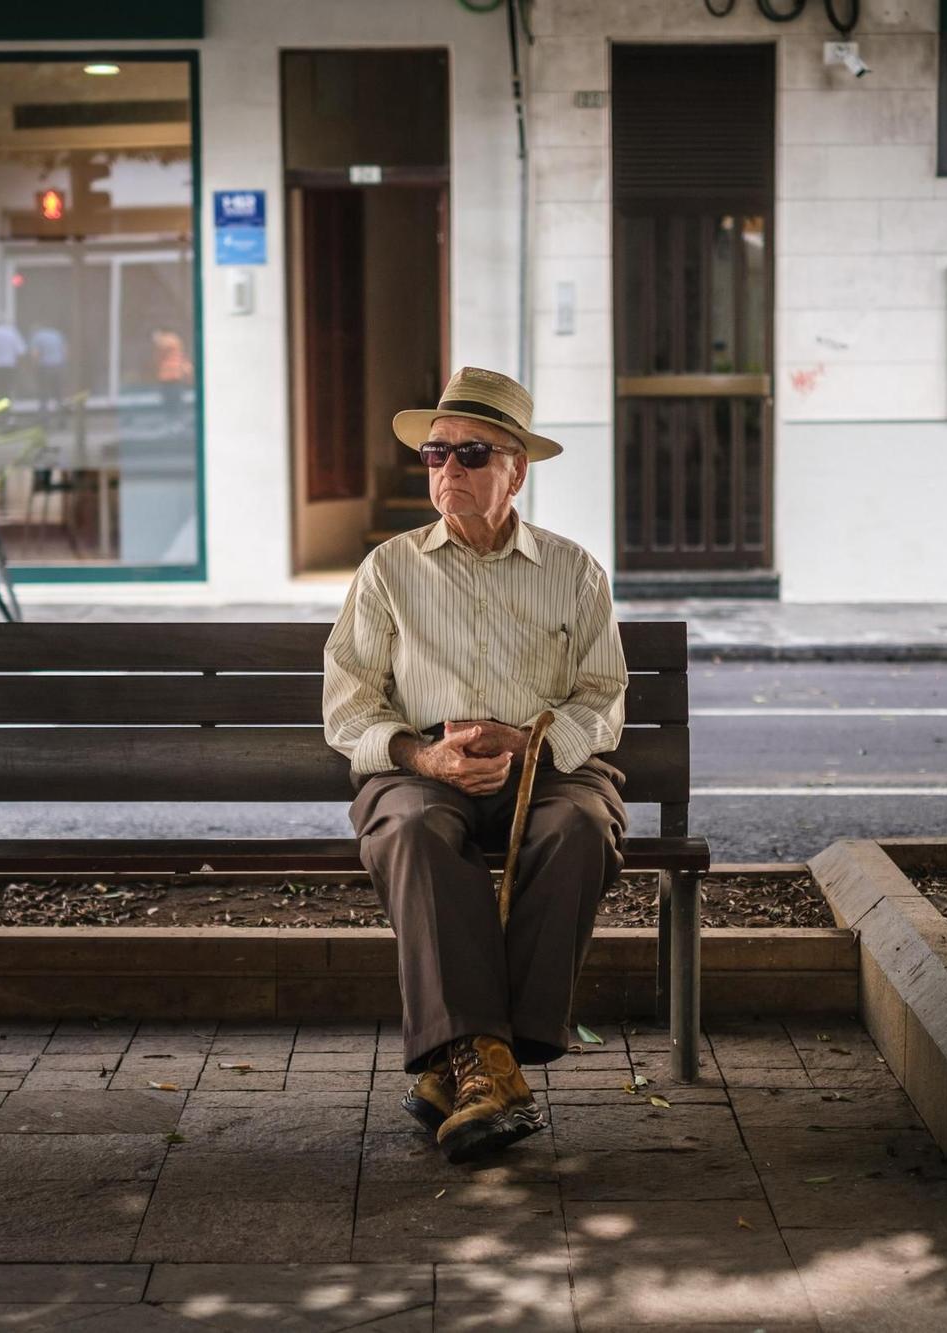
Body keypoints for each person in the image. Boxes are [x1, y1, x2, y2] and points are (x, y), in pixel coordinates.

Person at [322, 366, 629, 1164]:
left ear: (516, 468)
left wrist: (530, 744)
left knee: (583, 827)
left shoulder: (575, 570)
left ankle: (466, 1061)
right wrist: (425, 754)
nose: (447, 470)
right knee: (415, 831)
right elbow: (349, 704)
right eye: (434, 455)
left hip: (547, 763)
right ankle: (486, 1065)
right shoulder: (388, 570)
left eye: (471, 453)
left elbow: (605, 697)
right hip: (421, 765)